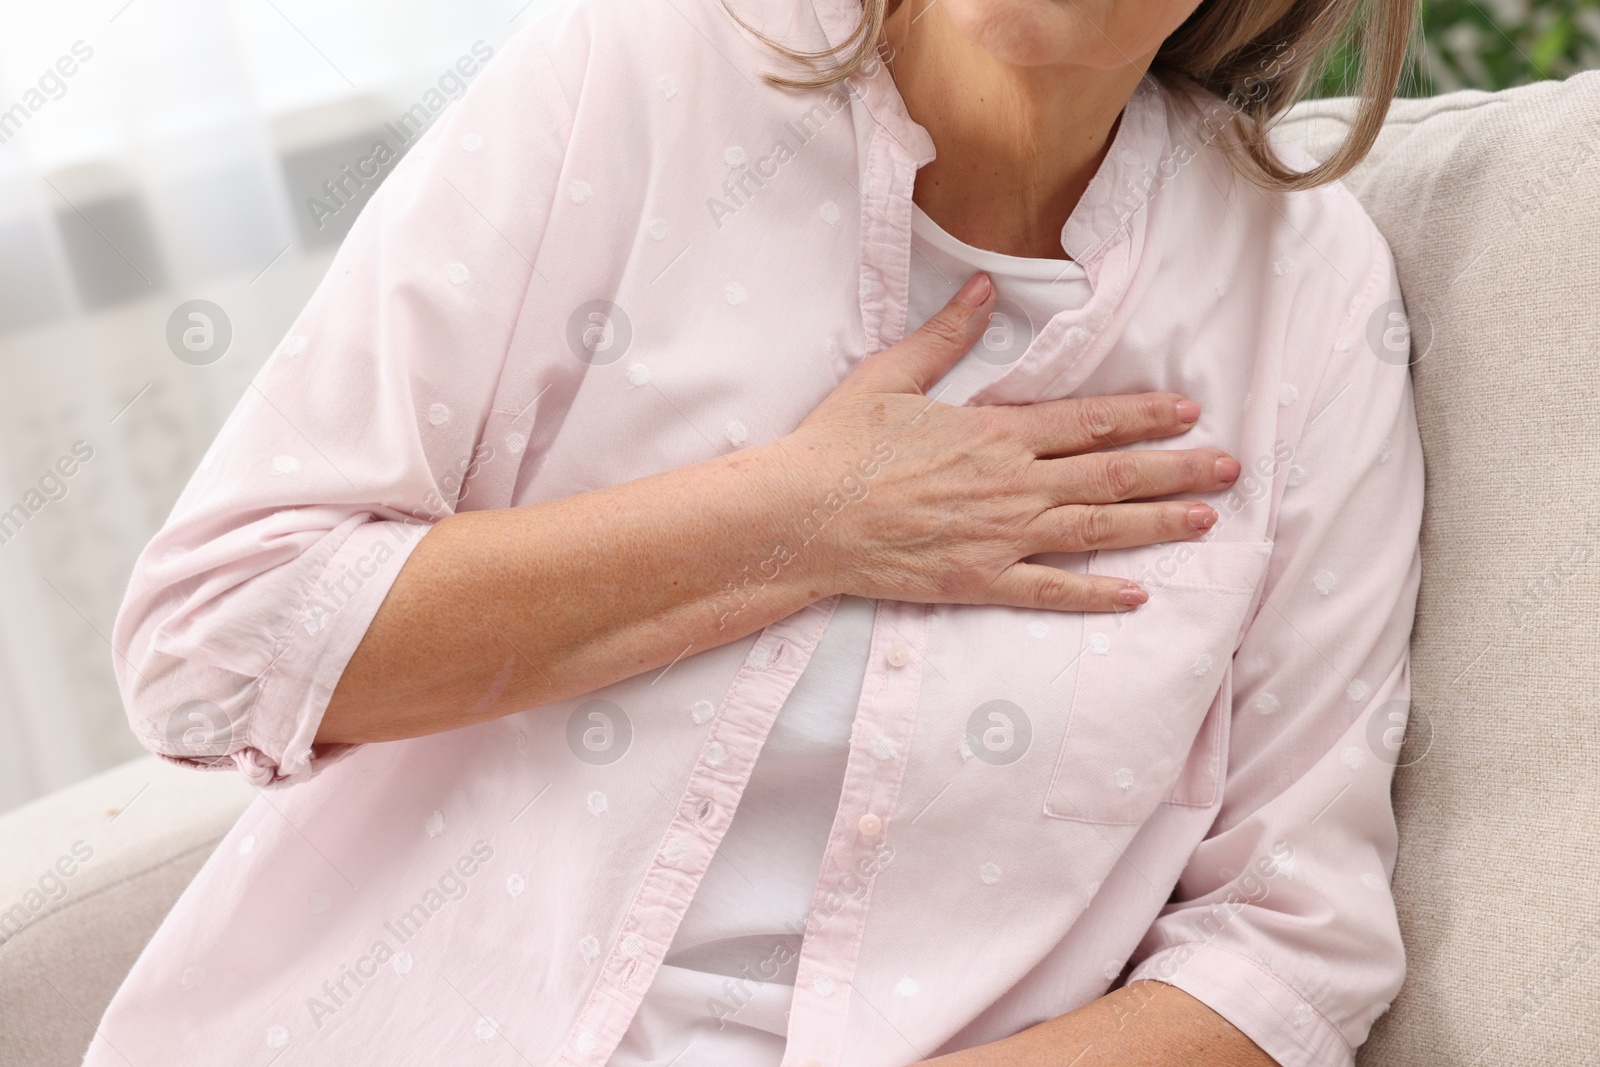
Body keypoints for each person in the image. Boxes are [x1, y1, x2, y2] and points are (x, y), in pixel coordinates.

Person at [89, 0, 1423, 1062]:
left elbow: (1290, 950)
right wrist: (805, 517)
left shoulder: (1304, 291)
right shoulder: (645, 66)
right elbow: (216, 644)